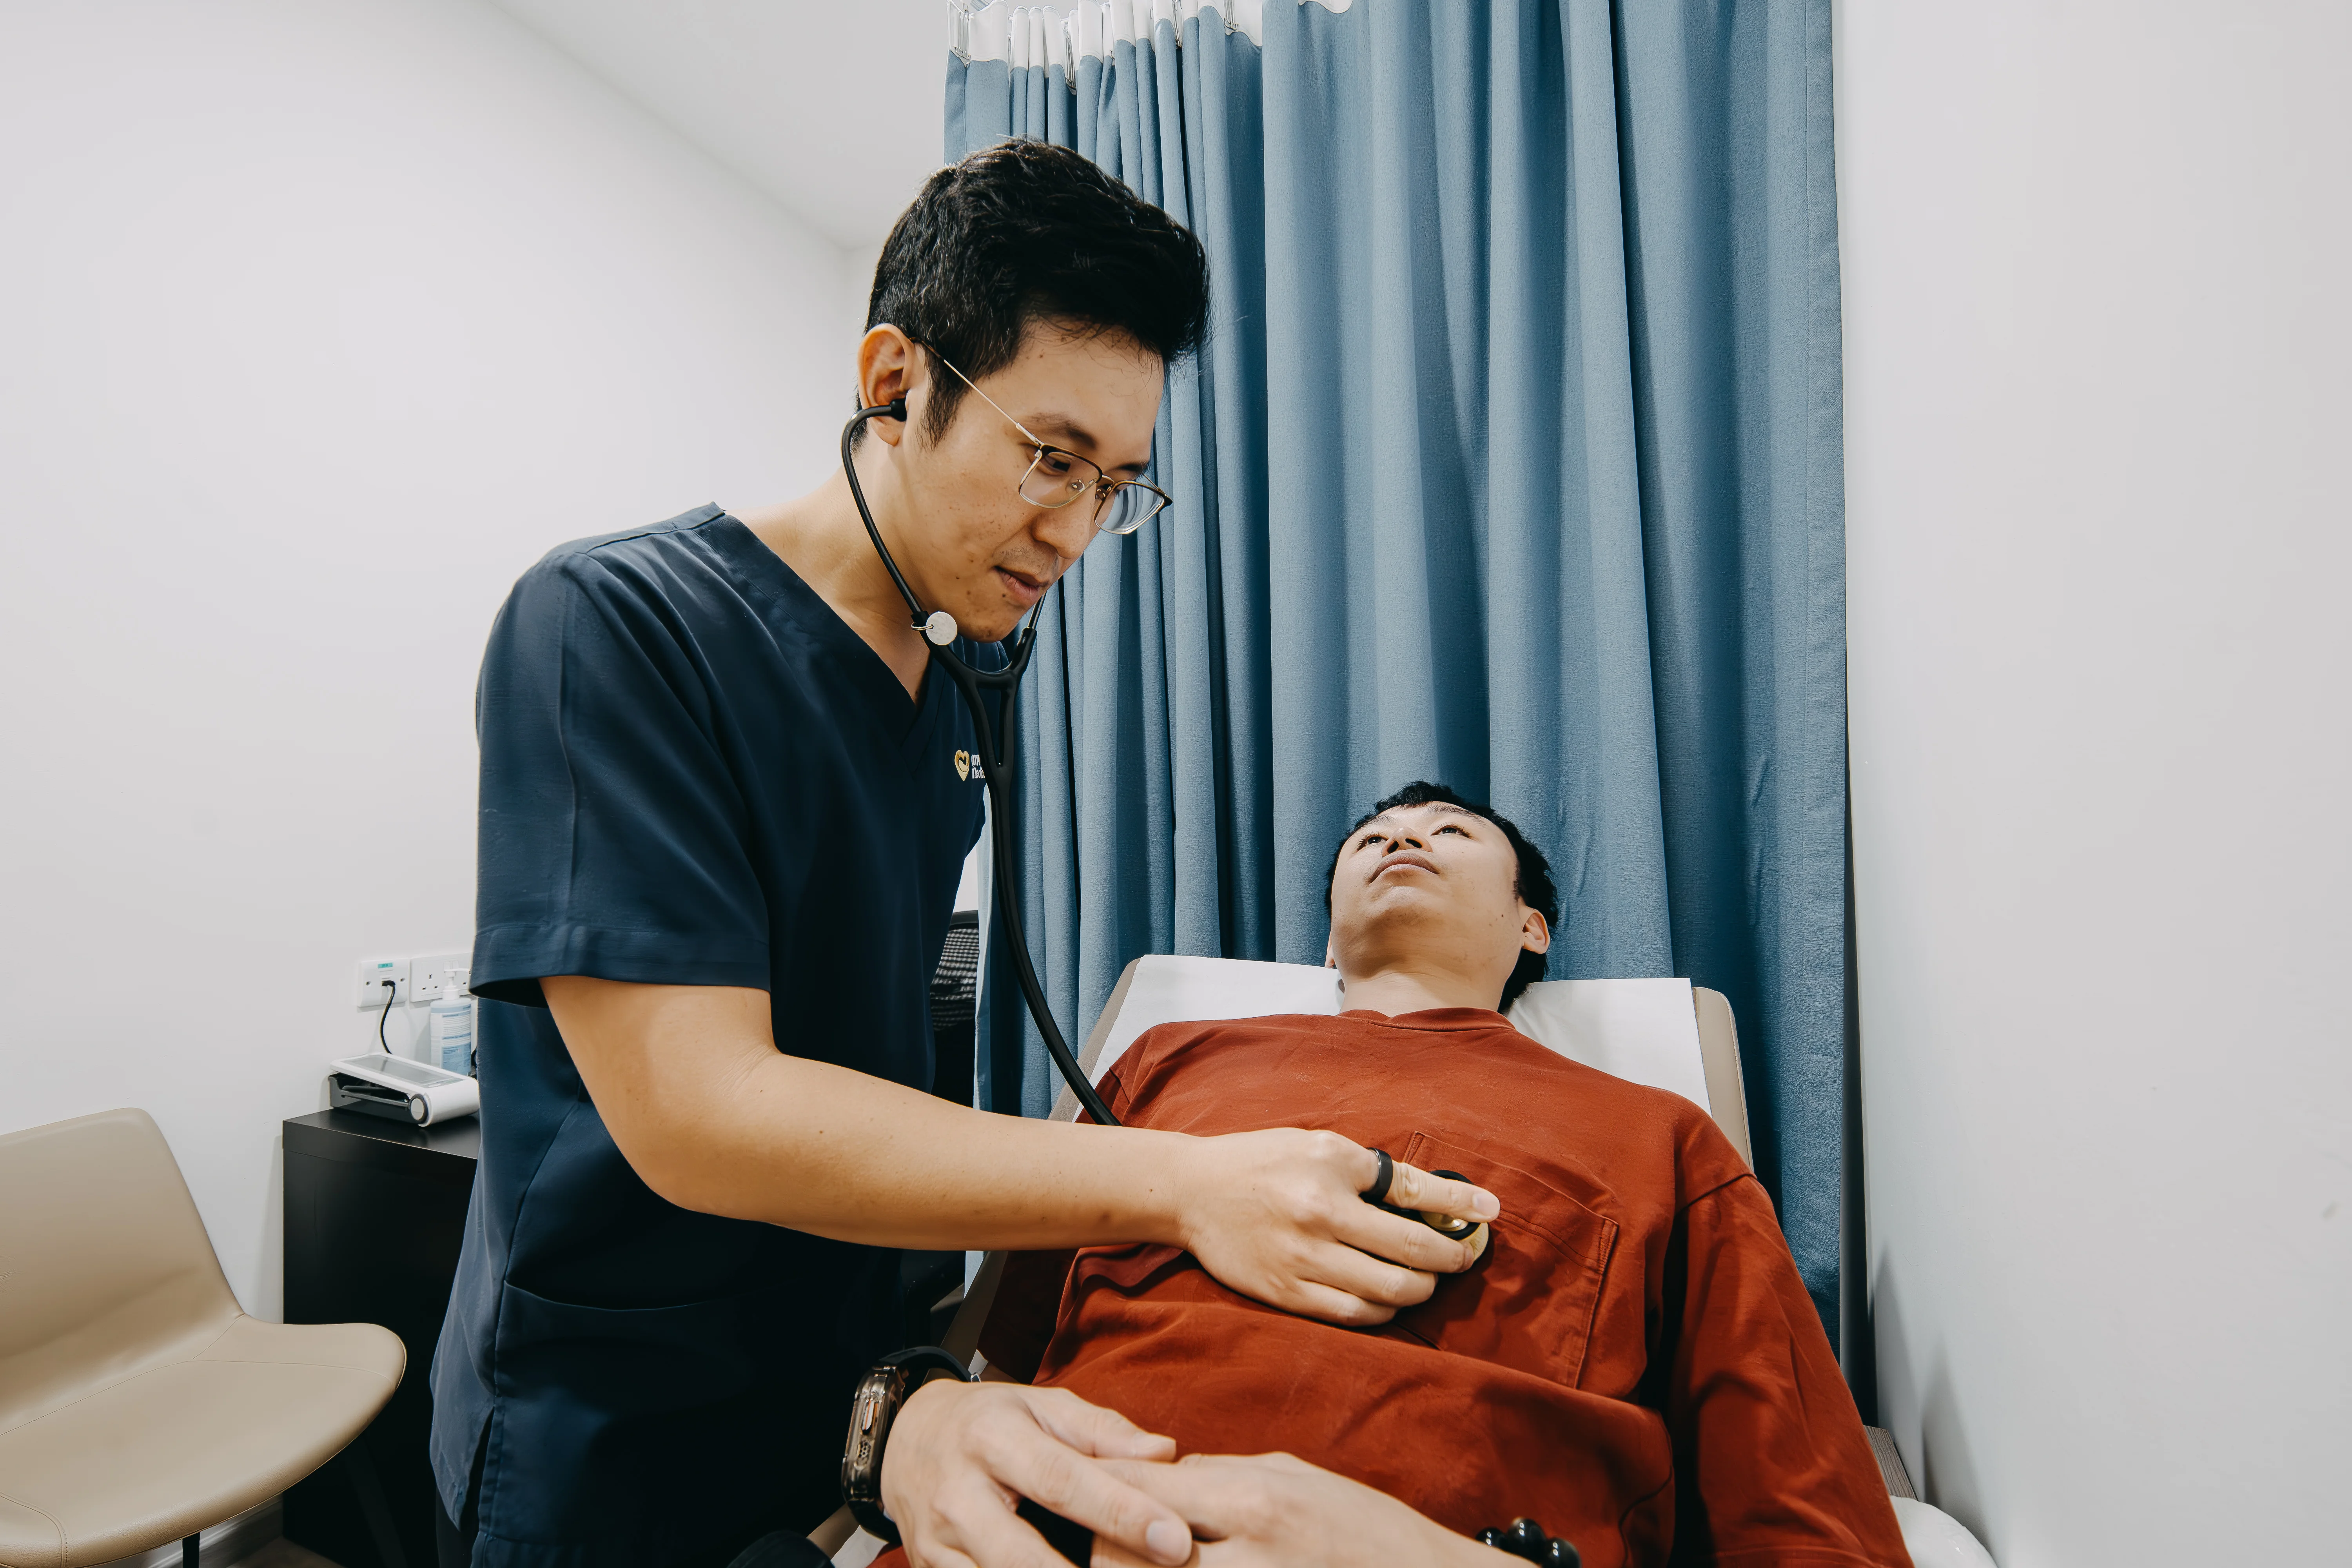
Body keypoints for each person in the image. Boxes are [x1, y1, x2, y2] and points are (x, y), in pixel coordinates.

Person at [427, 147, 1497, 1568]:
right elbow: (698, 1112)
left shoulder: (952, 674)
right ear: (893, 383)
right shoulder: (615, 623)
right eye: (1051, 458)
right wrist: (1188, 1182)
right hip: (617, 1400)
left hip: (845, 1389)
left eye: (1117, 484)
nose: (1074, 531)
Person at [878, 783, 1909, 1568]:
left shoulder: (1661, 1141)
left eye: (1450, 833)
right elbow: (1001, 1368)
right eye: (1372, 839)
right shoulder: (1168, 1058)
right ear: (1329, 937)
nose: (1403, 838)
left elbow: (1808, 1529)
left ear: (1531, 928)